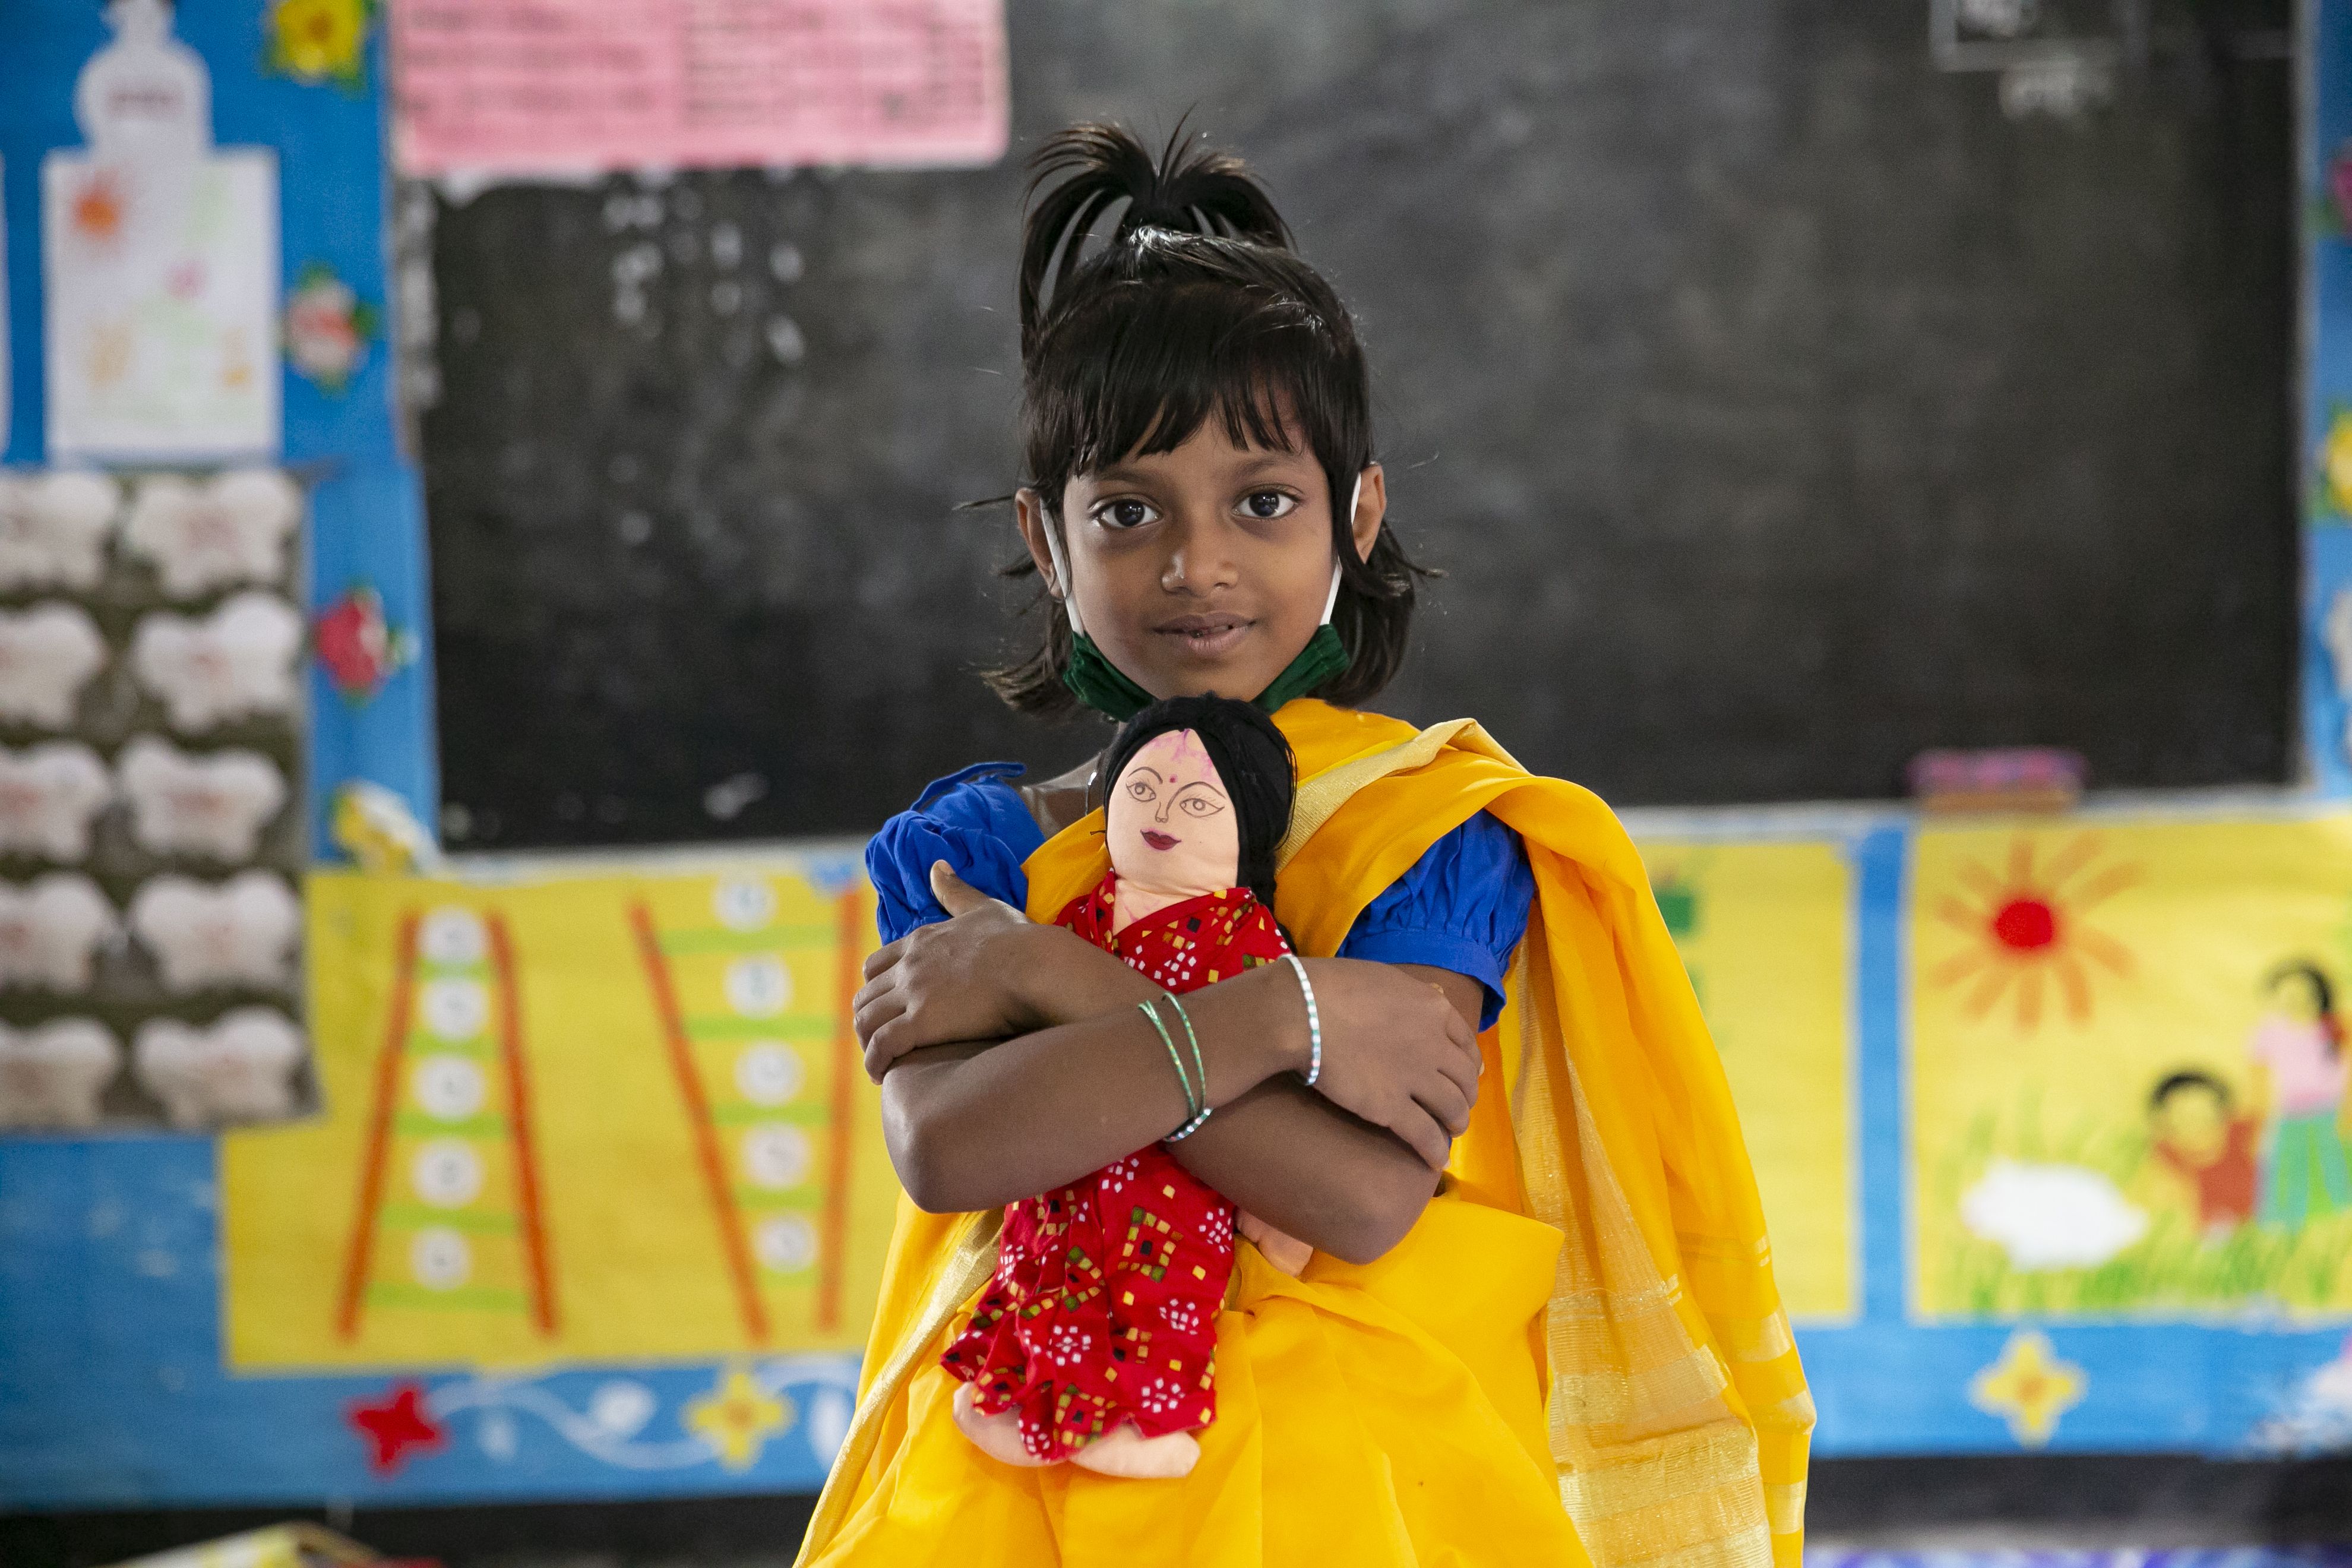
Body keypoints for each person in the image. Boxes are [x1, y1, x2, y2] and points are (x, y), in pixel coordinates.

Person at [801, 123, 1810, 1568]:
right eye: (1126, 511)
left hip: (1360, 1491)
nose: (1193, 562)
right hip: (1022, 1473)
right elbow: (953, 1148)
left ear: (1357, 511)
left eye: (1260, 501)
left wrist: (1045, 984)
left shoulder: (1432, 832)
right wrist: (1288, 1014)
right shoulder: (978, 853)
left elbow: (1357, 1196)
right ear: (1046, 539)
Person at [2247, 961, 2352, 1231]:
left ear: (2320, 995)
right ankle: (2288, 1222)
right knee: (2288, 1164)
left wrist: (2346, 1111)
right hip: (2288, 1113)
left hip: (2329, 1111)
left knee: (2334, 1164)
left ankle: (2341, 1215)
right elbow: (2259, 1079)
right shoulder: (2269, 1033)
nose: (2297, 1000)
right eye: (2287, 993)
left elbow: (2346, 1072)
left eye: (2305, 992)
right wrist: (2261, 1121)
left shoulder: (2335, 1028)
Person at [2142, 1070, 2259, 1237]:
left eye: (2207, 1119)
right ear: (2166, 1127)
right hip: (2215, 1230)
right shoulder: (2173, 1158)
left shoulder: (2239, 1137)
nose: (2197, 1130)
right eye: (2184, 1121)